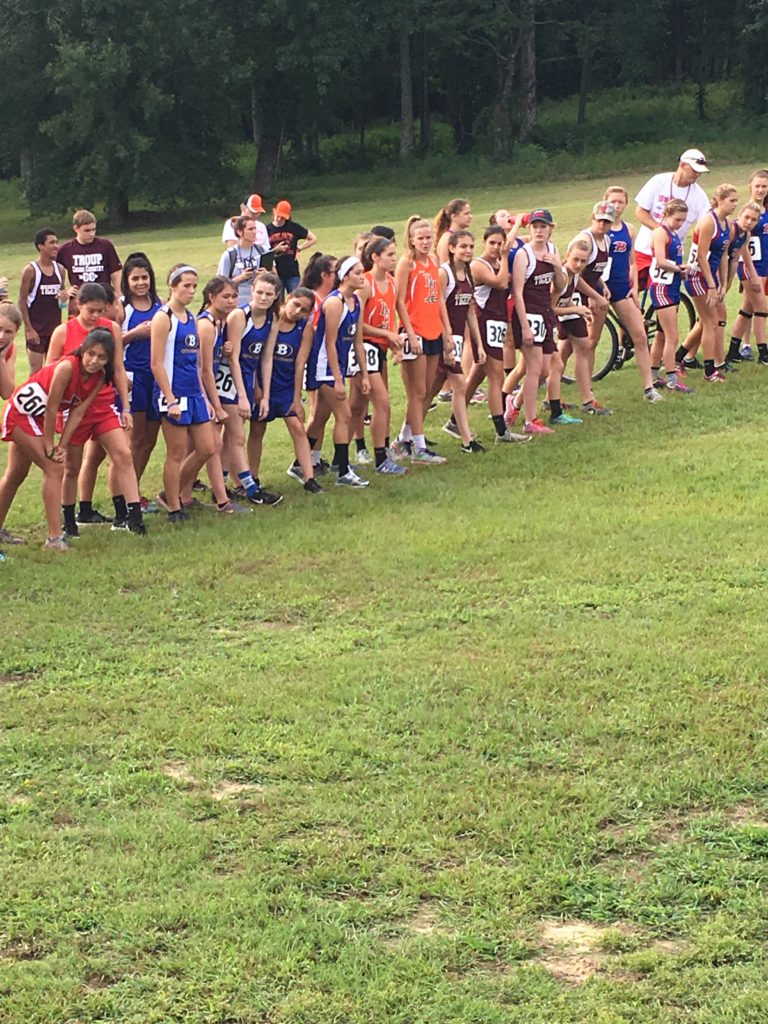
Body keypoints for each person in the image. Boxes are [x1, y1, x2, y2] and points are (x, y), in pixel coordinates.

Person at [0, 327, 115, 551]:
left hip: (37, 417)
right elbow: (52, 408)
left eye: (101, 357)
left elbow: (78, 412)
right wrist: (49, 445)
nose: (94, 361)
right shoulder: (67, 367)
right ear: (82, 350)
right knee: (54, 467)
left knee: (16, 473)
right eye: (91, 354)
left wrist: (62, 445)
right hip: (21, 413)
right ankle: (54, 538)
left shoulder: (100, 377)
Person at [47, 283, 143, 535]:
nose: (95, 316)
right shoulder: (63, 331)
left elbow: (118, 369)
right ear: (78, 305)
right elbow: (49, 371)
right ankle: (70, 520)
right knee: (72, 466)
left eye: (100, 311)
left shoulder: (111, 328)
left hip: (103, 404)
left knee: (123, 454)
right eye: (91, 310)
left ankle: (134, 517)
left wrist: (126, 407)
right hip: (74, 407)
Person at [150, 265, 219, 522]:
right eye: (186, 285)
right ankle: (174, 507)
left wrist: (205, 398)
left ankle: (169, 493)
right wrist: (169, 400)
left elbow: (196, 364)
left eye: (194, 286)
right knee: (176, 452)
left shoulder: (191, 317)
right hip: (174, 393)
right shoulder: (163, 318)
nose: (191, 291)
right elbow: (156, 363)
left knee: (207, 447)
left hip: (194, 392)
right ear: (172, 286)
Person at [304, 256, 371, 487]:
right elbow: (329, 343)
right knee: (344, 415)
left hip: (339, 366)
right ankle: (343, 471)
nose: (362, 277)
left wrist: (363, 374)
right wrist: (338, 380)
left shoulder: (356, 301)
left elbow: (358, 341)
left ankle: (301, 463)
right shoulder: (334, 303)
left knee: (320, 418)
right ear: (344, 276)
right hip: (324, 367)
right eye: (357, 273)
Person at [391, 216, 453, 465]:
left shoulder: (434, 261)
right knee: (416, 392)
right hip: (415, 332)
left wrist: (447, 331)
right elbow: (399, 300)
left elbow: (438, 298)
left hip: (433, 330)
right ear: (412, 240)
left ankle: (404, 439)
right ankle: (419, 446)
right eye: (421, 238)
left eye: (429, 238)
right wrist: (409, 333)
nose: (426, 242)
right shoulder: (406, 263)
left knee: (426, 391)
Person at [251, 288, 323, 494]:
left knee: (298, 429)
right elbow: (254, 356)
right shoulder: (268, 320)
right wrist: (256, 387)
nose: (297, 311)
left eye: (304, 310)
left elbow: (300, 364)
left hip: (286, 388)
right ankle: (253, 477)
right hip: (264, 386)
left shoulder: (304, 329)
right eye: (295, 305)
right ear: (287, 299)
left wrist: (296, 399)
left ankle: (309, 478)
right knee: (257, 430)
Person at [349, 236, 409, 474]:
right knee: (381, 403)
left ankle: (340, 458)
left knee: (356, 406)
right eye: (390, 255)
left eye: (395, 254)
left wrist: (394, 343)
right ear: (375, 257)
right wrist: (387, 334)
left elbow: (389, 317)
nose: (394, 259)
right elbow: (357, 324)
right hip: (363, 348)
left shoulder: (392, 282)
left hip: (378, 350)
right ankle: (381, 459)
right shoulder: (365, 284)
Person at [224, 270, 283, 505]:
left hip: (248, 377)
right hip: (228, 378)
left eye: (269, 294)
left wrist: (265, 395)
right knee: (236, 435)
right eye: (259, 292)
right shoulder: (240, 315)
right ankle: (248, 487)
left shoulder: (273, 318)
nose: (263, 297)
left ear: (276, 295)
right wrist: (241, 395)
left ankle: (228, 483)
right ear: (252, 291)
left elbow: (266, 358)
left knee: (231, 436)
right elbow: (233, 358)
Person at [467, 225, 528, 443]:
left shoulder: (498, 264)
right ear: (484, 242)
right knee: (496, 376)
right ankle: (501, 430)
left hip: (497, 323)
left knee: (478, 374)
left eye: (500, 243)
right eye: (492, 243)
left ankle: (455, 420)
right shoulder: (478, 265)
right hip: (483, 323)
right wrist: (504, 256)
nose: (496, 247)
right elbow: (501, 283)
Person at [194, 275, 248, 514]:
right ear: (211, 297)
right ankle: (220, 500)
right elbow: (204, 369)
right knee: (210, 446)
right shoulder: (206, 325)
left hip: (207, 389)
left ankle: (181, 496)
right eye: (225, 296)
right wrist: (214, 405)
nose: (231, 301)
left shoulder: (220, 323)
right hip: (199, 390)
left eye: (234, 296)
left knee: (201, 447)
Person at [509, 208, 566, 434]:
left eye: (543, 226)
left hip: (545, 313)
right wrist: (525, 326)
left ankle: (514, 403)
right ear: (529, 229)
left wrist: (557, 266)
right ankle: (530, 421)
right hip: (529, 313)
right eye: (535, 226)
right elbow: (517, 293)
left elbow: (560, 286)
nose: (539, 231)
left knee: (544, 370)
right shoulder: (524, 255)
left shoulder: (552, 250)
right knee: (533, 369)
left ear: (551, 228)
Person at [602, 187, 661, 402]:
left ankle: (649, 387)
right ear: (605, 202)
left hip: (621, 288)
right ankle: (582, 392)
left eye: (621, 202)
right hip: (600, 289)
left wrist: (634, 288)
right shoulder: (599, 229)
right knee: (587, 342)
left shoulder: (629, 229)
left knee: (640, 336)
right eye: (613, 201)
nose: (617, 206)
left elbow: (632, 262)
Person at [677, 183, 739, 381]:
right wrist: (711, 286)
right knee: (711, 322)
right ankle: (709, 370)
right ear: (719, 200)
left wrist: (723, 284)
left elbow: (723, 256)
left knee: (708, 320)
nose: (735, 204)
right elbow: (701, 257)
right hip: (697, 276)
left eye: (736, 201)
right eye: (732, 200)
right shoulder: (708, 222)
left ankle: (678, 359)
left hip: (710, 277)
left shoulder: (729, 226)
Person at [634, 149, 710, 291]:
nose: (697, 174)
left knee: (665, 296)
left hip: (671, 254)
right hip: (644, 249)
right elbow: (640, 211)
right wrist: (661, 231)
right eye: (694, 170)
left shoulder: (699, 196)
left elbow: (706, 225)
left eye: (700, 172)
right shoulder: (658, 181)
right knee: (630, 291)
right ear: (682, 165)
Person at [120, 253, 163, 505]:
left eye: (144, 277)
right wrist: (135, 333)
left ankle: (135, 488)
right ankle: (130, 496)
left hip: (156, 377)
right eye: (135, 278)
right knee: (135, 438)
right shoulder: (122, 308)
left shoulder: (160, 304)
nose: (140, 283)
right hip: (132, 377)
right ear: (127, 281)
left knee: (150, 440)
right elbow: (108, 343)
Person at [437, 230, 486, 451]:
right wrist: (446, 337)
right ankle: (406, 437)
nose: (468, 251)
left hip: (456, 338)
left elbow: (469, 311)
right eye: (463, 246)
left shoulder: (467, 273)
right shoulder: (444, 273)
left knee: (450, 386)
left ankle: (466, 439)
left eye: (470, 246)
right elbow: (437, 307)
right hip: (442, 339)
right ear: (452, 248)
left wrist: (479, 343)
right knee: (433, 390)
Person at [649, 199, 692, 390]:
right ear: (667, 215)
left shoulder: (673, 233)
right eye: (677, 219)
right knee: (671, 337)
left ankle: (653, 376)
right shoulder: (661, 232)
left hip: (672, 287)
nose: (680, 223)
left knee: (661, 335)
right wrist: (678, 268)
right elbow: (660, 261)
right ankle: (672, 379)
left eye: (683, 220)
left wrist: (680, 269)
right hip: (663, 288)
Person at [727, 171, 768, 364]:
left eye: (764, 186)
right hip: (751, 266)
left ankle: (733, 351)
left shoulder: (765, 211)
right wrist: (751, 272)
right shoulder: (748, 212)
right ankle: (763, 353)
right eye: (757, 186)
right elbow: (741, 243)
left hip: (763, 265)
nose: (760, 190)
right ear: (750, 186)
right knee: (761, 308)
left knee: (747, 309)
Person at [18, 229, 69, 373]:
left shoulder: (60, 269)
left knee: (53, 370)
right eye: (51, 243)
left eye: (57, 242)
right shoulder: (31, 271)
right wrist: (29, 329)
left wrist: (64, 299)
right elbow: (22, 301)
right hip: (37, 329)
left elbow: (61, 302)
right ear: (40, 246)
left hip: (54, 329)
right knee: (36, 371)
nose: (56, 246)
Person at [56, 210, 122, 316]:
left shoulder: (105, 246)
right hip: (80, 300)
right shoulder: (66, 249)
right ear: (76, 229)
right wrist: (65, 291)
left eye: (93, 229)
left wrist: (119, 295)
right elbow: (54, 271)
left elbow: (116, 273)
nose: (91, 234)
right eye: (86, 230)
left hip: (103, 297)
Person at [266, 200, 317, 294]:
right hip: (276, 271)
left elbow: (313, 238)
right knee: (278, 298)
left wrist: (300, 248)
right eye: (278, 215)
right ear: (274, 211)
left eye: (283, 217)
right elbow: (264, 253)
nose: (279, 219)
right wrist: (276, 250)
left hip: (292, 271)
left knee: (296, 296)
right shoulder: (266, 229)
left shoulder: (293, 227)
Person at [217, 216, 266, 304]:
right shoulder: (230, 254)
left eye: (255, 228)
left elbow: (275, 278)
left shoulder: (262, 251)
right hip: (235, 303)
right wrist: (240, 278)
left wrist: (265, 274)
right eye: (250, 229)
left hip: (257, 303)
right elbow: (220, 284)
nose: (254, 232)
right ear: (240, 232)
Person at [433, 198, 472, 263]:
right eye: (466, 214)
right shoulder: (447, 239)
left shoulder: (461, 236)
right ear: (454, 216)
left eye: (470, 213)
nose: (470, 216)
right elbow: (444, 266)